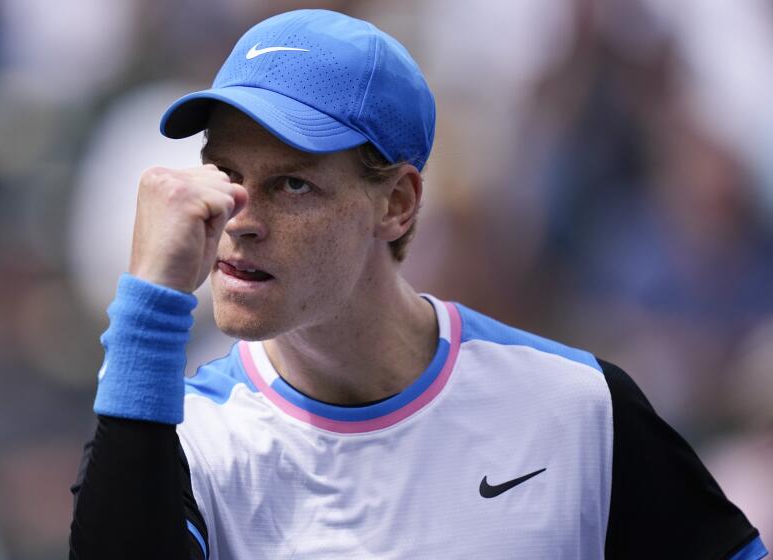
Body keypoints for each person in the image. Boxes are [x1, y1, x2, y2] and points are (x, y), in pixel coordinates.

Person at [69, 9, 768, 560]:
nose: (236, 220)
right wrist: (147, 309)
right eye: (225, 175)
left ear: (397, 203)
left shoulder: (579, 410)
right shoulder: (184, 436)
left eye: (290, 183)